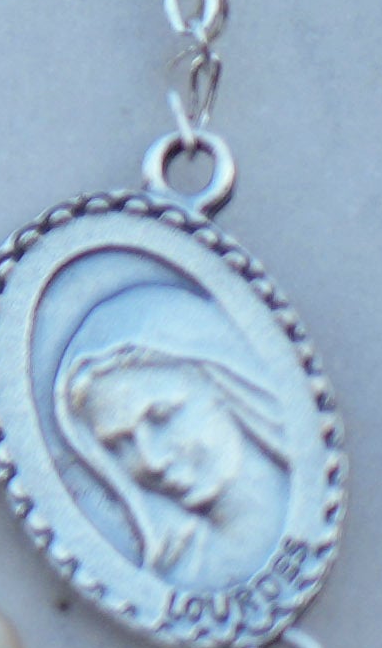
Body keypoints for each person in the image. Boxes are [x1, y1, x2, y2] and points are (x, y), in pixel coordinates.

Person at [30, 244, 306, 608]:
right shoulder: (183, 573)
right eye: (118, 445)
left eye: (161, 417)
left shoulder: (302, 493)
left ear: (218, 384)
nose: (151, 460)